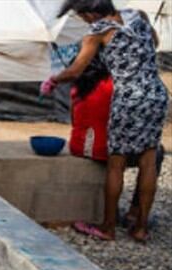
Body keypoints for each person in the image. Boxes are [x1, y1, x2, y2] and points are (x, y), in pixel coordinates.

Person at [44, 0, 169, 242]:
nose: (85, 22)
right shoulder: (139, 16)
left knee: (116, 164)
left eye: (83, 17)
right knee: (148, 161)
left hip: (128, 98)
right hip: (156, 93)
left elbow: (76, 70)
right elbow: (154, 43)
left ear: (91, 13)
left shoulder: (97, 32)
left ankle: (107, 228)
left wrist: (54, 81)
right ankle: (141, 227)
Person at [68, 55, 164, 228]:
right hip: (104, 150)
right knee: (154, 154)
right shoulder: (117, 87)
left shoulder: (77, 88)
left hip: (79, 146)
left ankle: (112, 223)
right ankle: (134, 214)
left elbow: (74, 119)